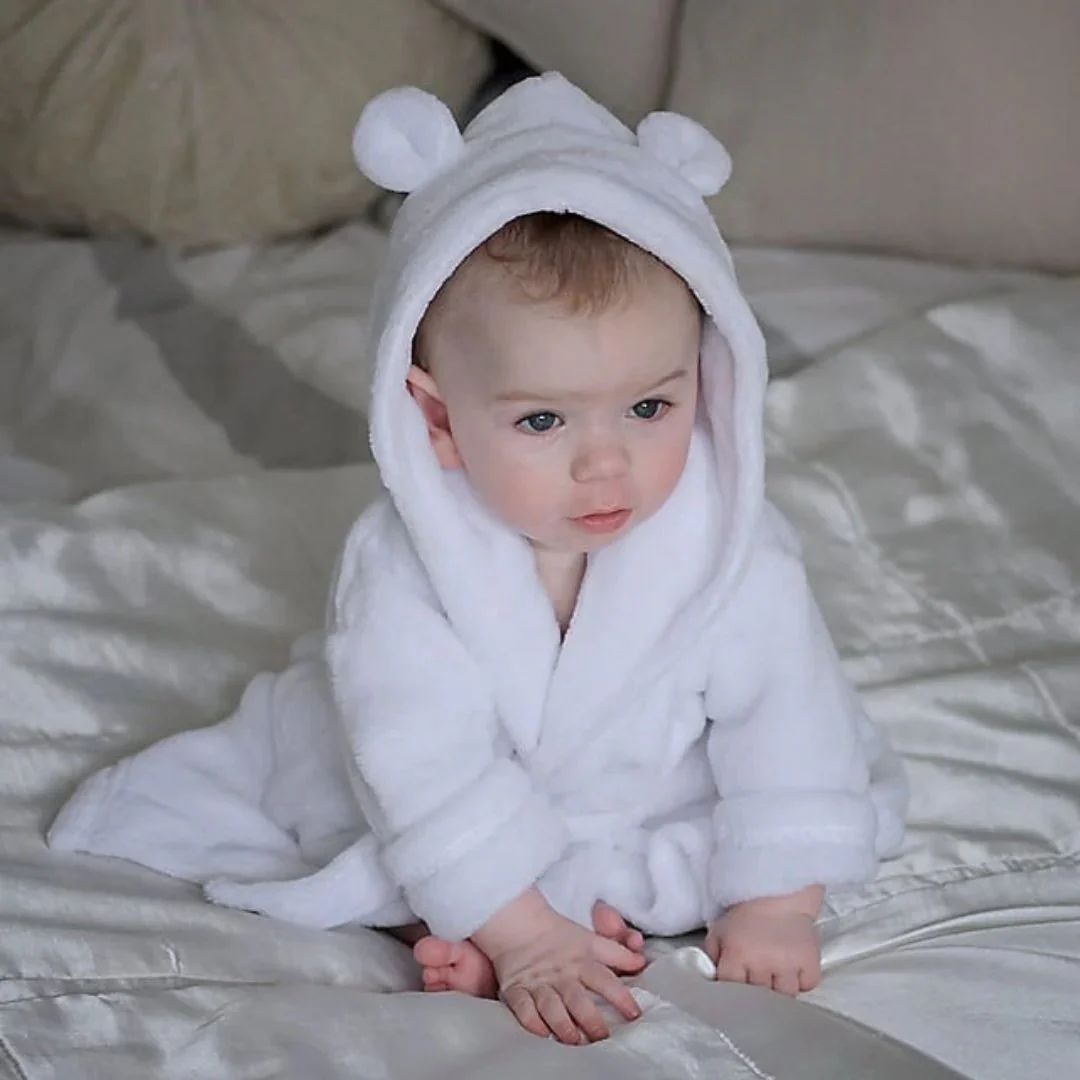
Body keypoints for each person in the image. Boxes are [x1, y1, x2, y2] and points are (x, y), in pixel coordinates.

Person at [49, 74, 909, 1046]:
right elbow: (422, 755)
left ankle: (500, 914)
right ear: (435, 417)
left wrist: (774, 905)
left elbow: (788, 714)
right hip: (456, 785)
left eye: (650, 407)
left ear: (705, 383)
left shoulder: (728, 545)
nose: (605, 461)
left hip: (640, 782)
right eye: (542, 418)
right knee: (355, 792)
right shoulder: (405, 564)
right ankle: (487, 918)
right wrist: (530, 933)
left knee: (757, 814)